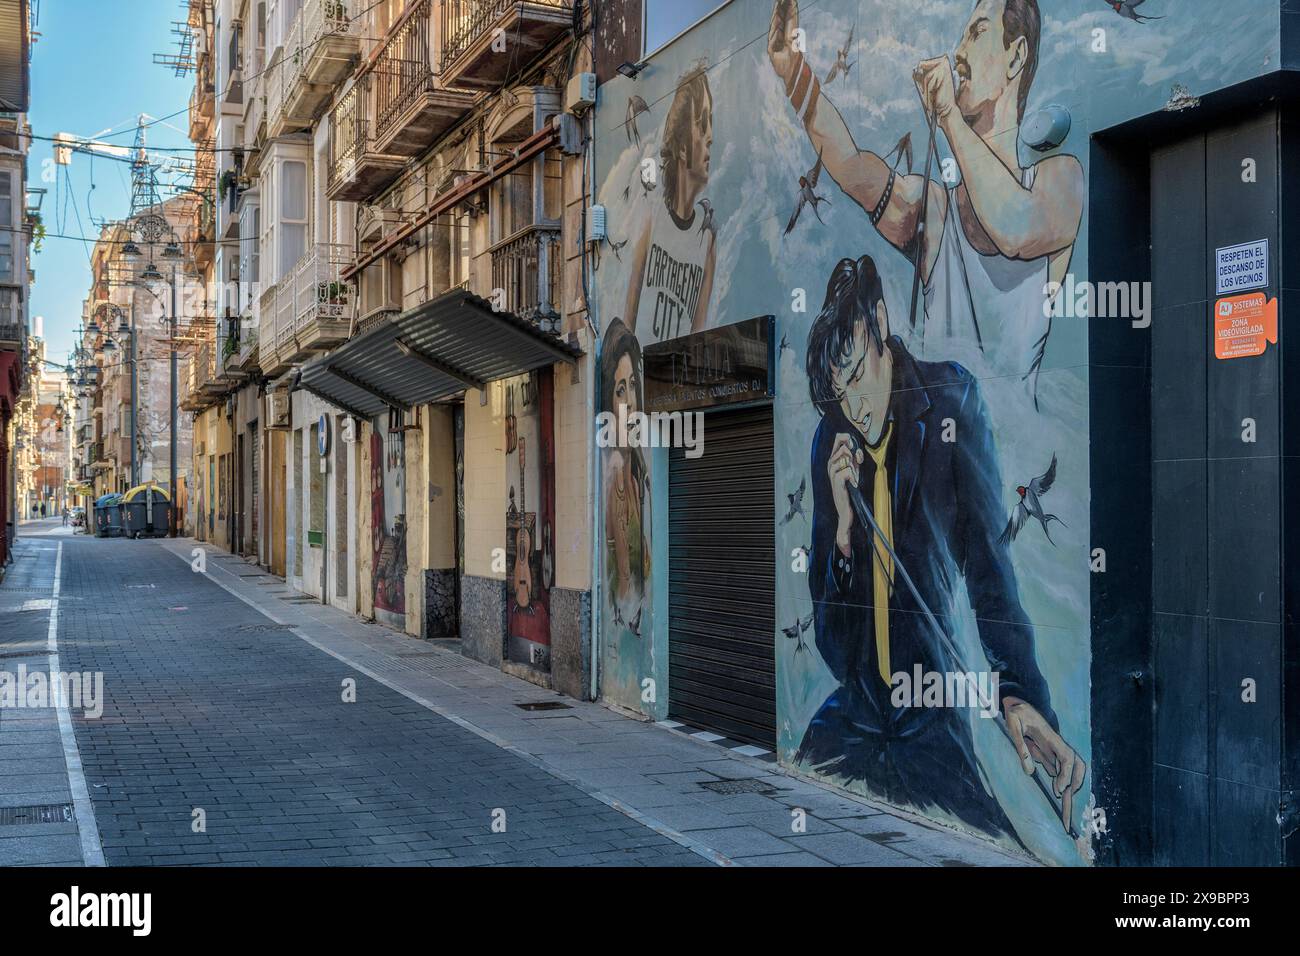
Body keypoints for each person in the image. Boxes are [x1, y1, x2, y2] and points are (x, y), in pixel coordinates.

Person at [797, 255, 1084, 840]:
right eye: (838, 391)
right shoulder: (832, 437)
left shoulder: (950, 400)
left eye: (857, 376)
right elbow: (830, 641)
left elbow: (989, 567)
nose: (853, 404)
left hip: (930, 720)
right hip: (854, 718)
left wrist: (1018, 694)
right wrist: (845, 533)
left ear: (881, 323)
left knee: (995, 835)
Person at [769, 0, 1083, 405]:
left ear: (1015, 55)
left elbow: (1013, 229)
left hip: (1022, 468)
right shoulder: (934, 211)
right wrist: (794, 72)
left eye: (975, 34)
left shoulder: (1059, 180)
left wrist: (949, 114)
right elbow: (850, 167)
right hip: (938, 462)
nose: (958, 54)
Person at [621, 64, 718, 344]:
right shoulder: (653, 216)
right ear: (684, 146)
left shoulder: (707, 238)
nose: (710, 135)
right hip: (641, 379)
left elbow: (698, 334)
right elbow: (629, 320)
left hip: (680, 384)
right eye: (703, 121)